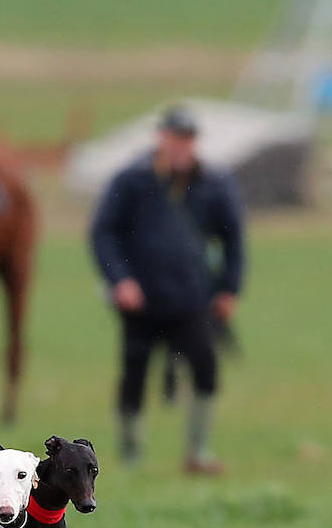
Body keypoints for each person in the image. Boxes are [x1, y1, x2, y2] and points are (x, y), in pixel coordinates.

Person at [90, 107, 245, 472]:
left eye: (187, 139)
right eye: (174, 137)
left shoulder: (214, 182)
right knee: (134, 372)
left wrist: (229, 288)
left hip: (193, 297)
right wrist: (120, 280)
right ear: (161, 138)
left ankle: (199, 449)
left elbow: (233, 237)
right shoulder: (131, 180)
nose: (180, 146)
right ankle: (131, 453)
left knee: (205, 367)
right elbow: (103, 233)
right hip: (140, 299)